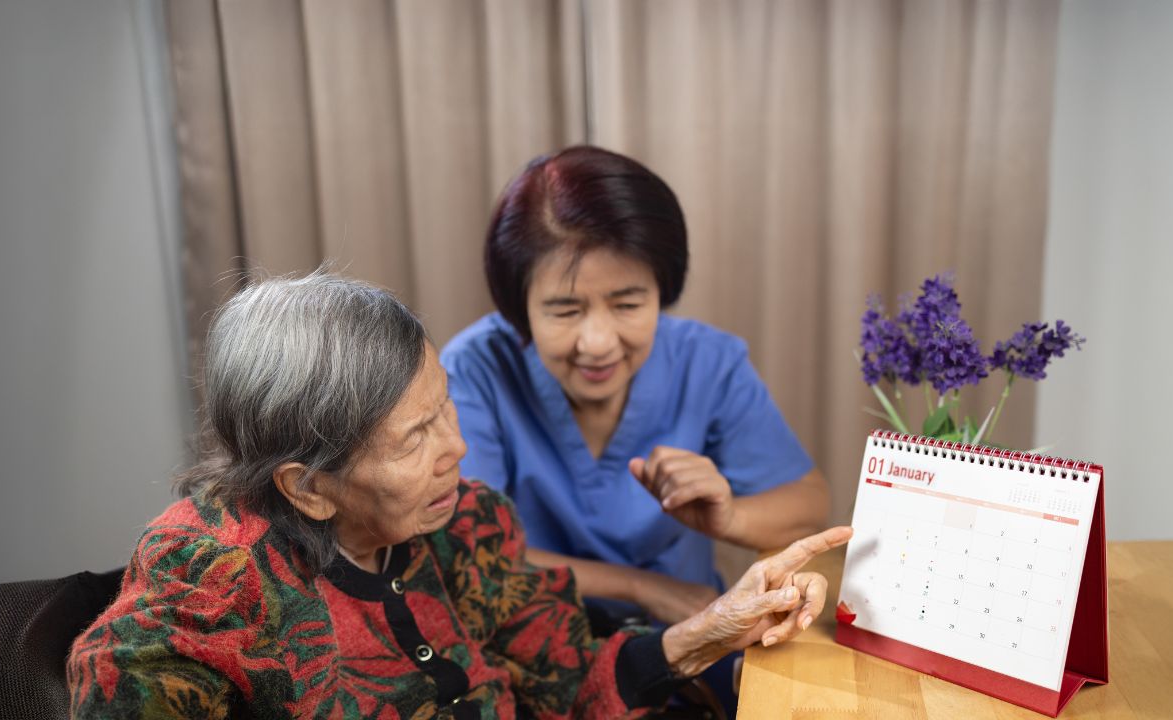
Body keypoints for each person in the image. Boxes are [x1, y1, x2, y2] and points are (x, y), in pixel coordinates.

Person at [66, 272, 851, 719]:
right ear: (307, 488)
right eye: (415, 438)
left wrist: (717, 625)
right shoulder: (211, 588)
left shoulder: (462, 521)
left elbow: (571, 680)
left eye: (446, 407)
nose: (459, 449)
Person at [440, 145, 834, 713]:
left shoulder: (708, 362)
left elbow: (808, 505)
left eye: (627, 303)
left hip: (696, 647)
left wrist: (730, 519)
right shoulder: (475, 370)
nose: (598, 343)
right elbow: (468, 552)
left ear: (662, 290)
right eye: (565, 310)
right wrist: (643, 587)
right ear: (518, 306)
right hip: (530, 654)